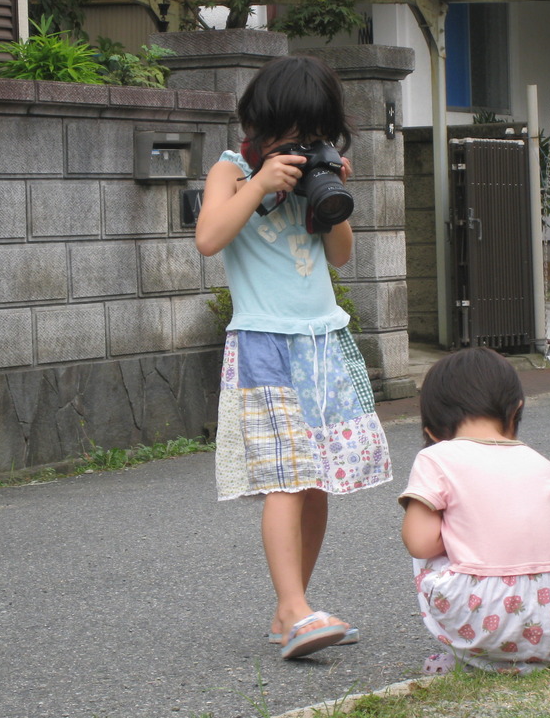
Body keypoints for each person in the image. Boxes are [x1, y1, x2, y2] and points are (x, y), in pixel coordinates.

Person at [196, 54, 392, 660]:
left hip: (323, 343)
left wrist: (330, 192)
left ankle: (294, 610)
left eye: (312, 136)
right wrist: (259, 182)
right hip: (265, 346)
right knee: (287, 478)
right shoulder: (229, 171)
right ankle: (294, 609)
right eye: (289, 135)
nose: (298, 146)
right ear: (259, 122)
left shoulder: (316, 169)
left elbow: (339, 256)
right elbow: (207, 239)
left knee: (320, 481)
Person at [399, 347, 550, 674]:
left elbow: (419, 543)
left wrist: (463, 532)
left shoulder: (436, 458)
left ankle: (474, 657)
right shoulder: (541, 462)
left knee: (427, 538)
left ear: (432, 430)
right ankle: (541, 650)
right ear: (515, 410)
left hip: (483, 612)